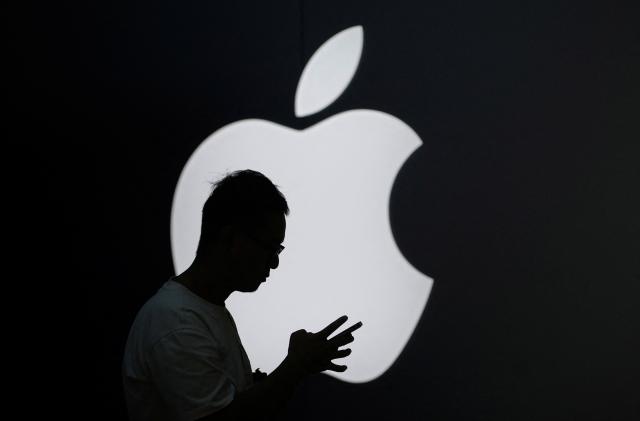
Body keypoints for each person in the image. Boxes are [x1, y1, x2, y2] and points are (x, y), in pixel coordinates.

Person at [122, 169, 362, 421]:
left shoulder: (200, 311)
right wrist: (294, 368)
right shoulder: (175, 322)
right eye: (270, 248)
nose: (275, 263)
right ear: (232, 239)